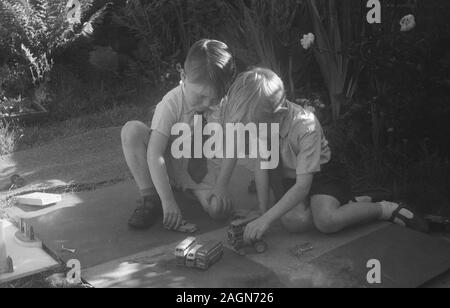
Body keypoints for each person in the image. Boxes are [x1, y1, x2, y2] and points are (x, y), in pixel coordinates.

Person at [222, 67, 429, 242]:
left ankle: (384, 208)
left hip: (323, 174)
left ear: (280, 116)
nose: (252, 132)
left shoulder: (305, 125)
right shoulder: (262, 124)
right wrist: (261, 210)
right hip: (289, 175)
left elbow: (303, 186)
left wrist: (266, 219)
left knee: (327, 221)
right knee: (295, 223)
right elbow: (262, 165)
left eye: (256, 127)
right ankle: (345, 204)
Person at [121, 39, 237, 230]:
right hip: (171, 166)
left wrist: (222, 185)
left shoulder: (225, 105)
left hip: (202, 174)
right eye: (201, 96)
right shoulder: (171, 103)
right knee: (131, 130)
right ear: (183, 75)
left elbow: (233, 146)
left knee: (219, 210)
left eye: (214, 98)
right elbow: (155, 153)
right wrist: (168, 201)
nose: (207, 103)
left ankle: (189, 189)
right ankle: (152, 197)